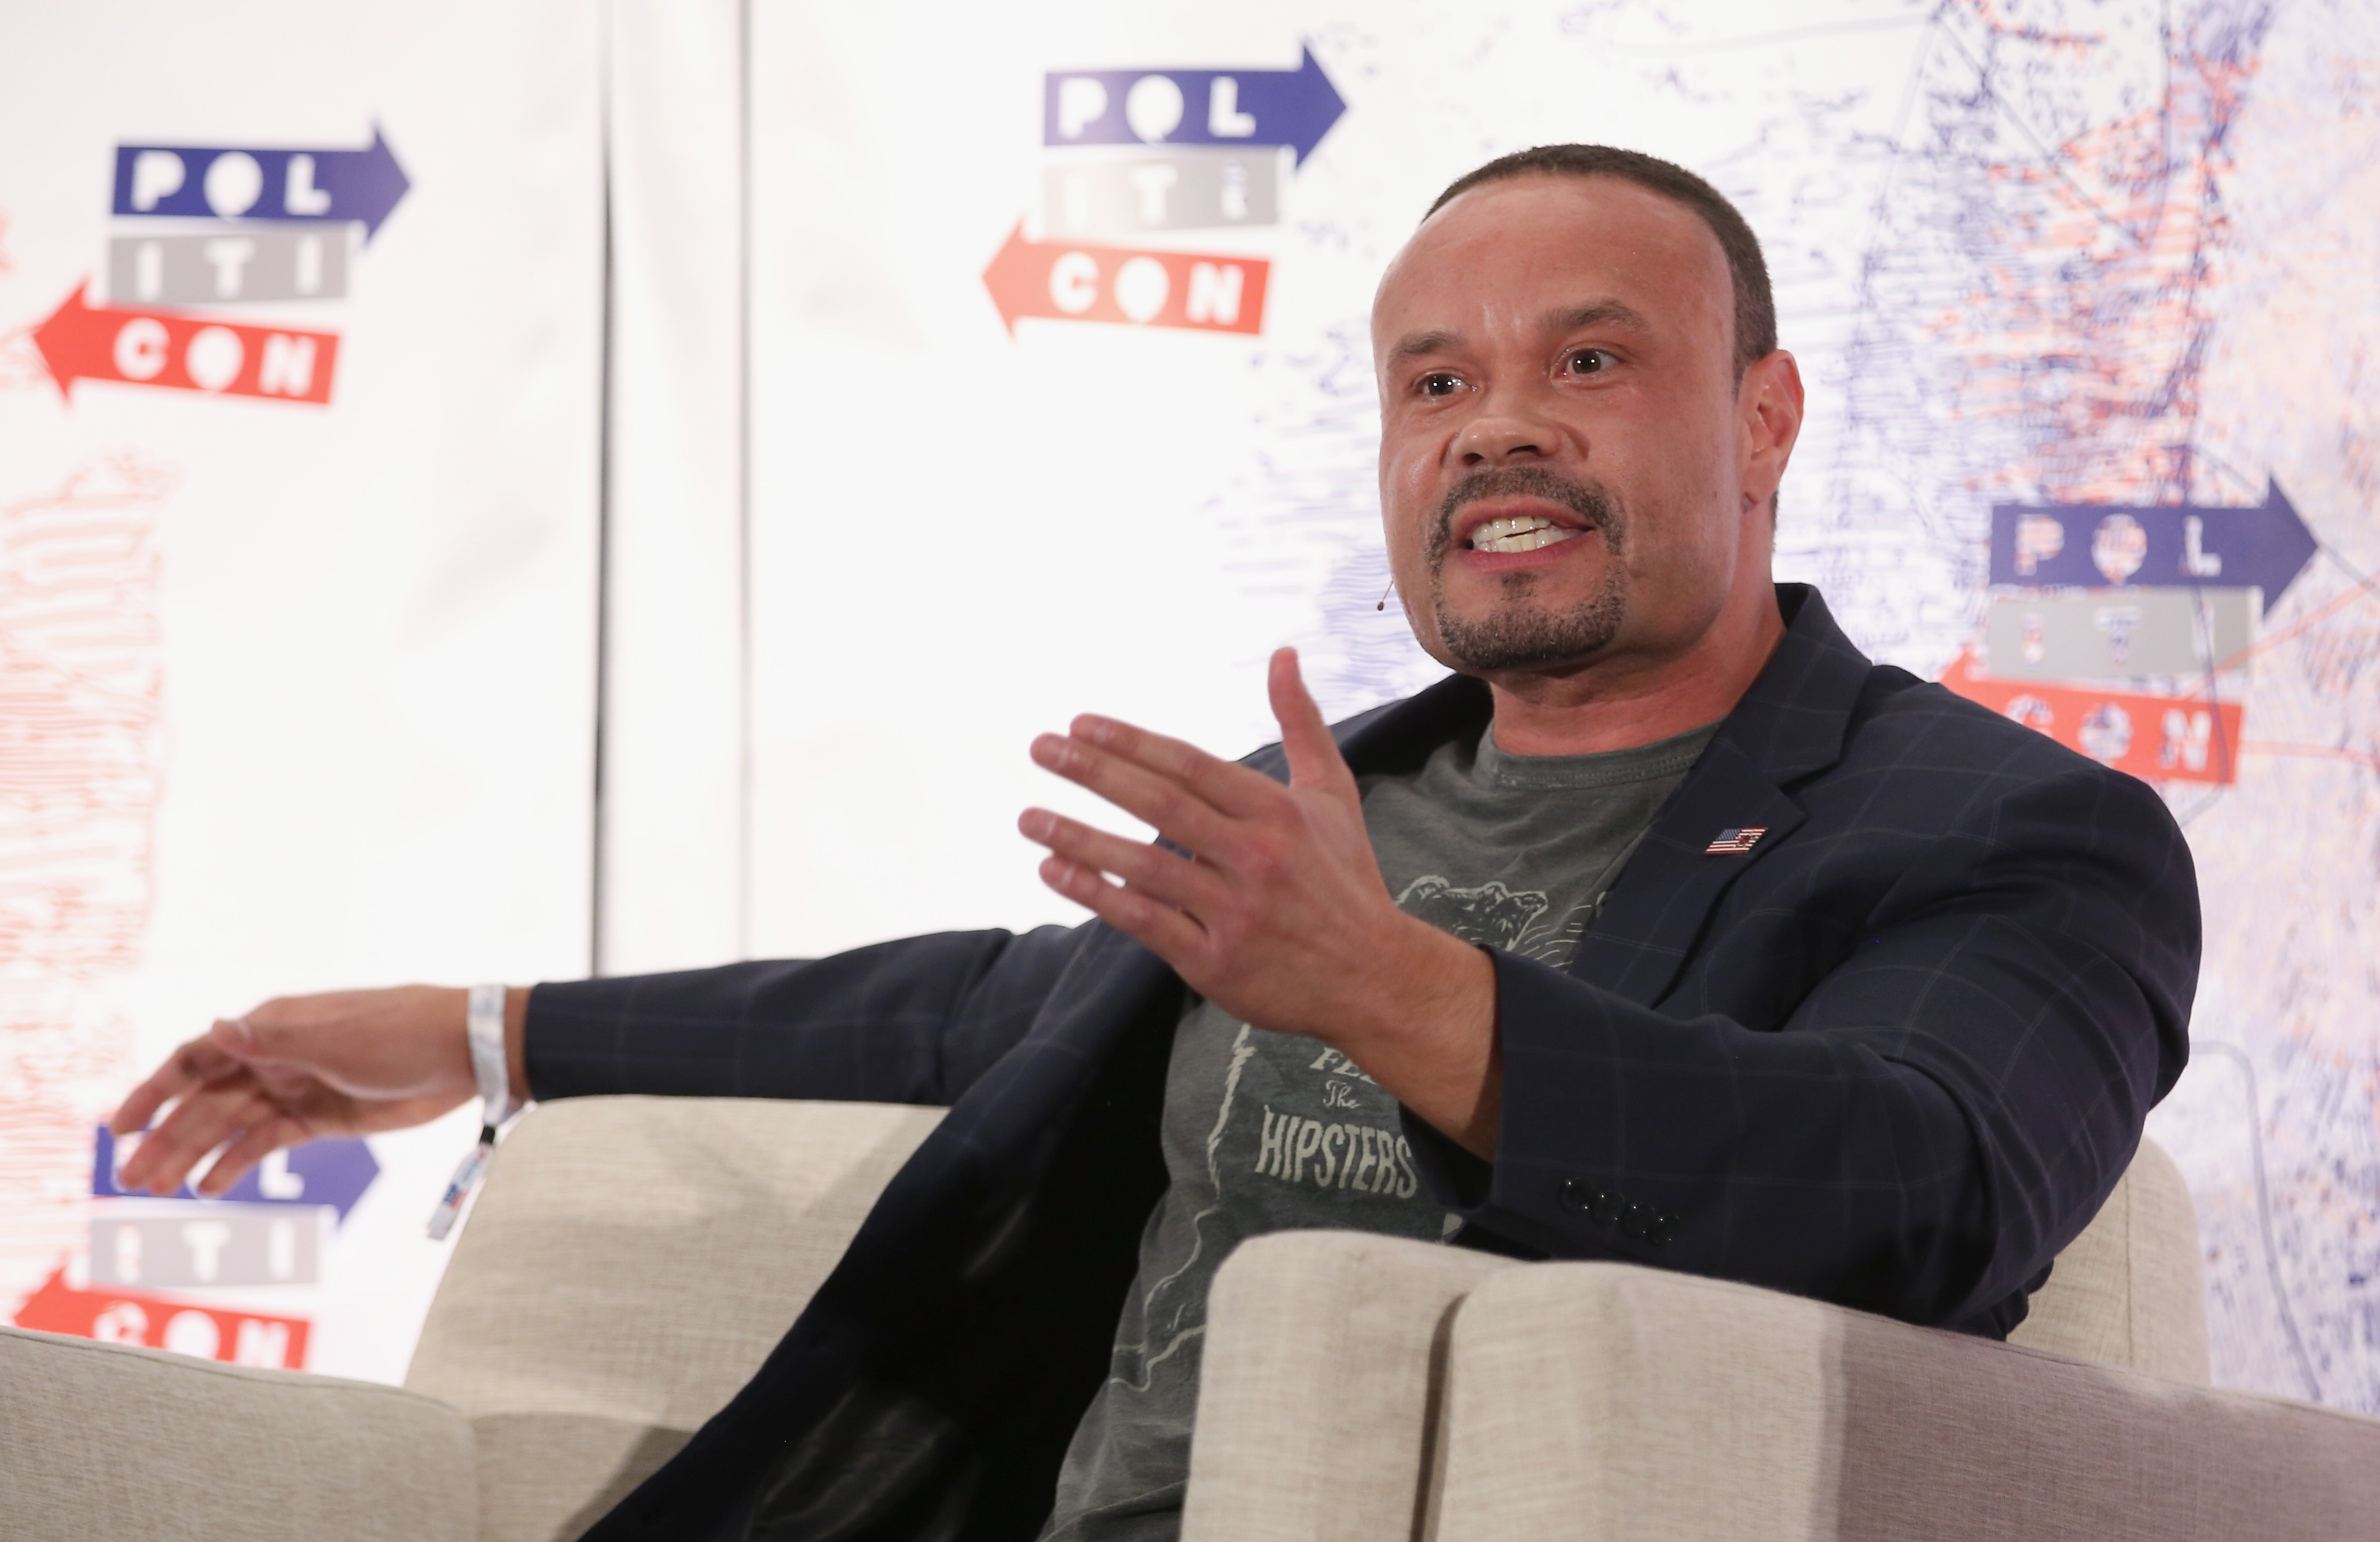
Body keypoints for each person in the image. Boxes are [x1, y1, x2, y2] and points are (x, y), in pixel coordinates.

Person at [107, 145, 2199, 1542]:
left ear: (1763, 417)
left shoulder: (2017, 834)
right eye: (1433, 380)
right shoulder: (1336, 804)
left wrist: (1409, 1002)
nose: (1493, 426)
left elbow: (1924, 1189)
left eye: (1591, 359)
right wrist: (473, 1031)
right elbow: (975, 1013)